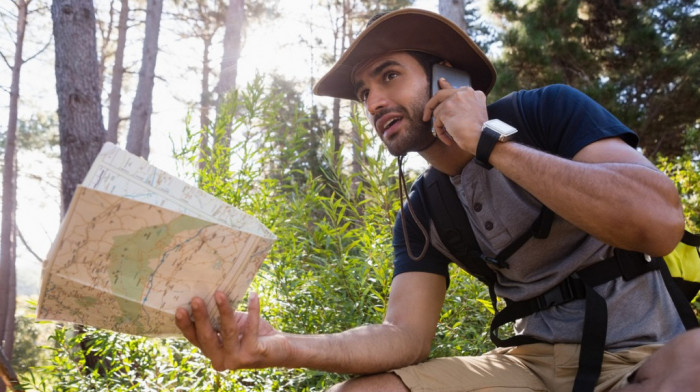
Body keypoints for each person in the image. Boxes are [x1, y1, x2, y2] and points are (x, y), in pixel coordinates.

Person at [175, 8, 700, 391]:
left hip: (653, 352)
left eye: (388, 76)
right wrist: (280, 347)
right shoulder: (422, 214)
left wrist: (490, 143)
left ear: (448, 77)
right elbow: (404, 336)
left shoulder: (547, 112)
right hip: (530, 367)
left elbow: (658, 221)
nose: (375, 102)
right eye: (364, 94)